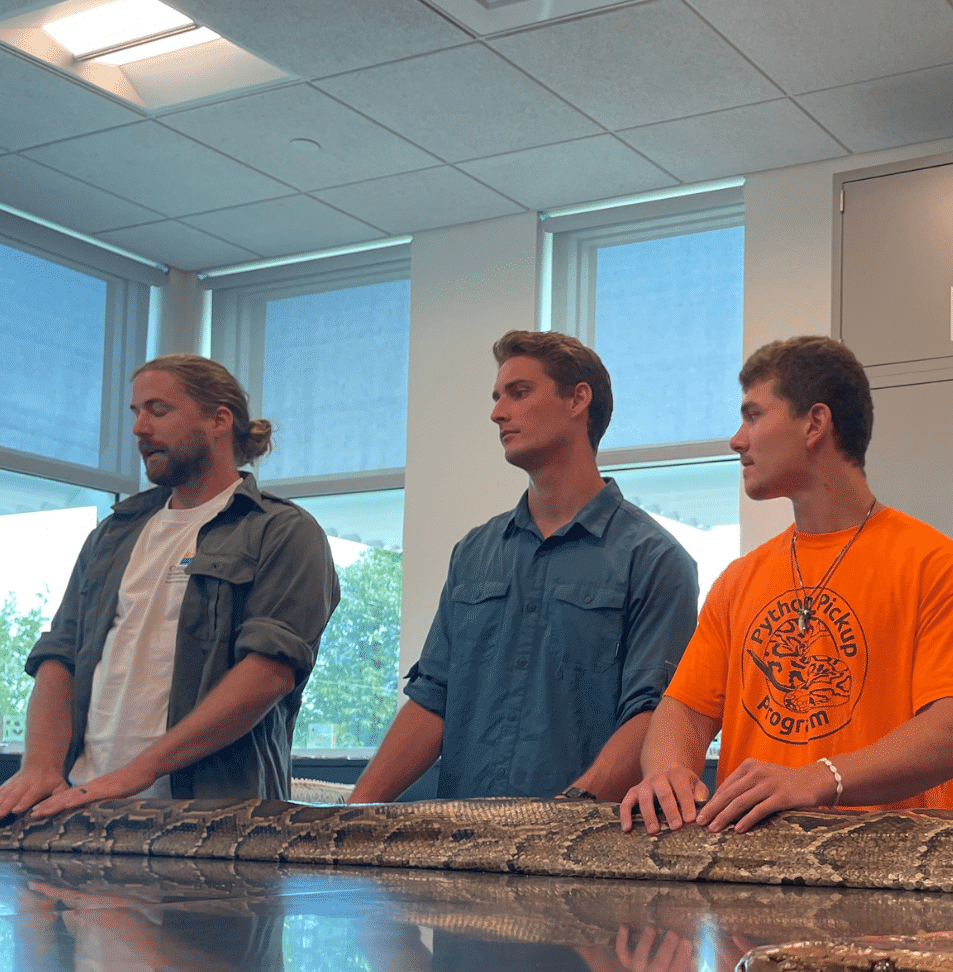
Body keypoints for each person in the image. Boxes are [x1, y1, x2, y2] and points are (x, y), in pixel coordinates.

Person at [621, 335, 953, 836]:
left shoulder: (939, 567)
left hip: (890, 870)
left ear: (815, 423)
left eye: (753, 415)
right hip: (748, 867)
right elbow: (684, 710)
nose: (737, 440)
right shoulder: (739, 579)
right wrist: (667, 772)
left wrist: (821, 778)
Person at [350, 330, 698, 804]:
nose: (497, 413)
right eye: (497, 397)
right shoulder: (474, 552)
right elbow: (434, 697)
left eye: (519, 392)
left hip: (581, 840)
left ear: (577, 400)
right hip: (461, 837)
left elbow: (653, 715)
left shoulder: (656, 560)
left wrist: (559, 817)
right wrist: (352, 814)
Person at [0, 355, 339, 819]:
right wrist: (39, 765)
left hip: (215, 821)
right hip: (79, 808)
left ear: (219, 420)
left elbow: (268, 674)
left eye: (158, 410)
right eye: (136, 412)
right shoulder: (111, 534)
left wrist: (134, 774)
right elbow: (60, 654)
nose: (139, 428)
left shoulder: (282, 531)